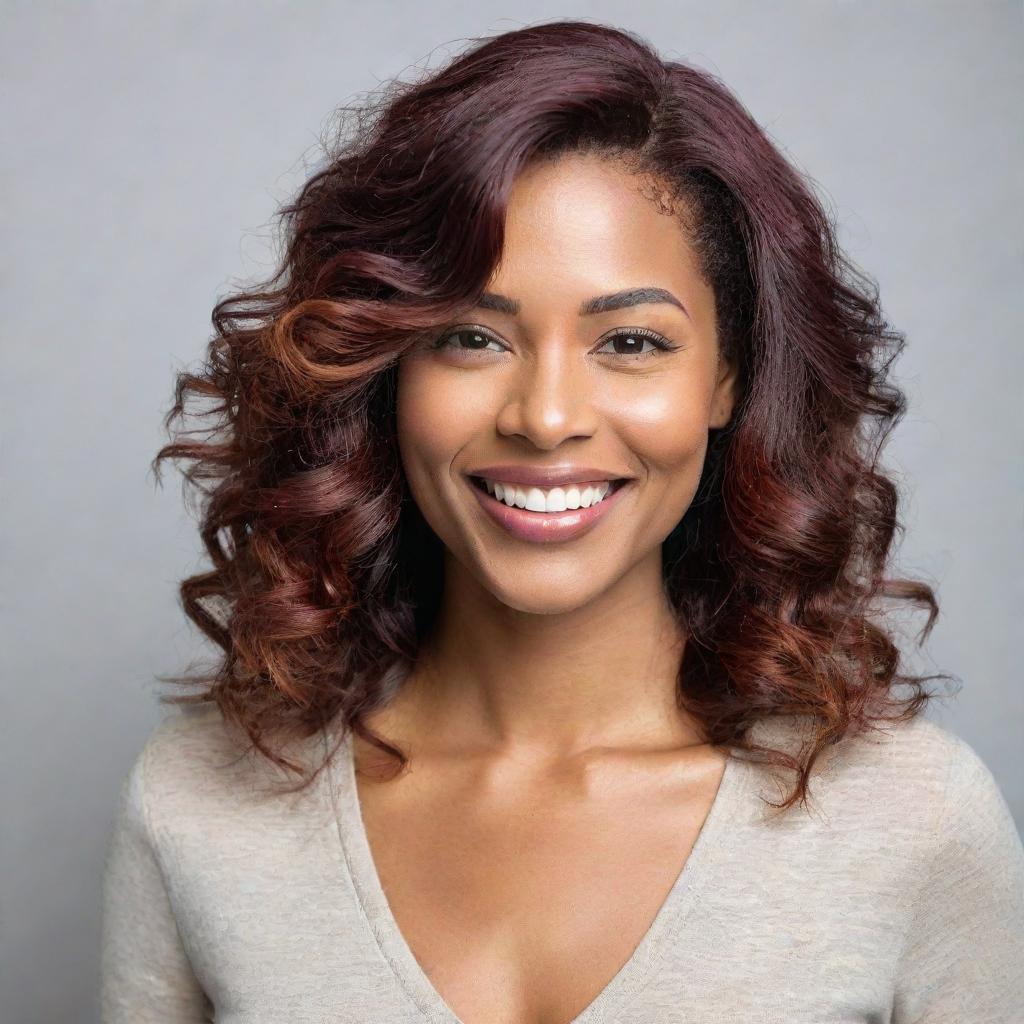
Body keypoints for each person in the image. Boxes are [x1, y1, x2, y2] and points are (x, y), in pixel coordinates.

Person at [100, 19, 1024, 1024]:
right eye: (469, 337)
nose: (544, 417)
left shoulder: (910, 823)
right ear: (388, 370)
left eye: (628, 340)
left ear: (726, 379)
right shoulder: (197, 805)